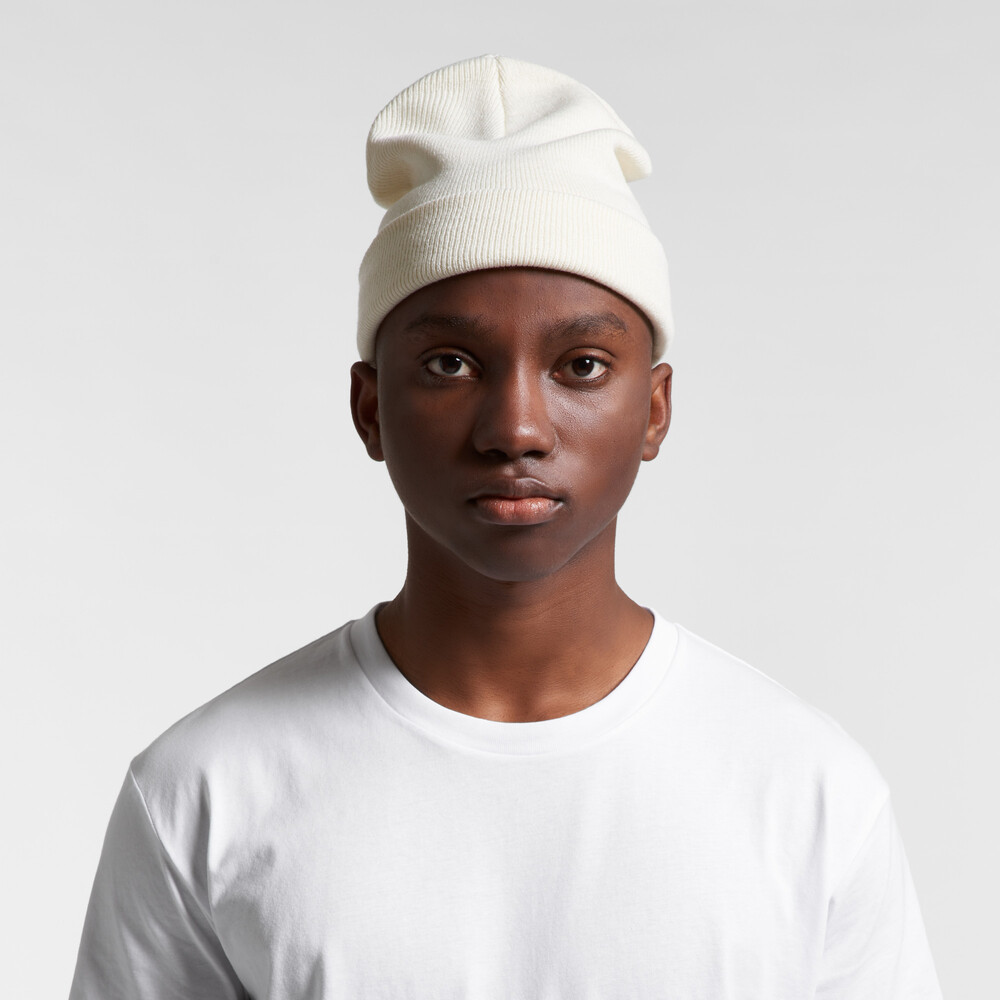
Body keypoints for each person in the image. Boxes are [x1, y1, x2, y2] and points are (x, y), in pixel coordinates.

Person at [70, 55, 943, 999]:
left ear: (655, 411)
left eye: (581, 365)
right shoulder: (205, 793)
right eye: (450, 363)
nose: (516, 427)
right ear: (370, 408)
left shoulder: (807, 793)